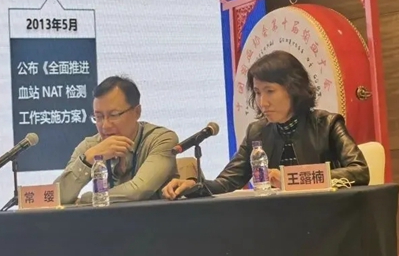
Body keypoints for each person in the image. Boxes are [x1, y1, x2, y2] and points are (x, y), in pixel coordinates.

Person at [162, 50, 369, 199]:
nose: (262, 102)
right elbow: (227, 181)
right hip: (276, 220)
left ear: (294, 88)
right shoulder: (257, 132)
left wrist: (291, 178)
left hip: (325, 217)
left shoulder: (327, 124)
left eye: (270, 91)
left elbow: (360, 171)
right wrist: (193, 185)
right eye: (258, 93)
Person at [55, 75, 179, 204]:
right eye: (99, 117)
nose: (105, 125)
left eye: (114, 115)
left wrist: (86, 199)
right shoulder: (91, 146)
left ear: (137, 112)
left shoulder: (161, 139)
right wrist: (87, 160)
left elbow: (138, 191)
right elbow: (56, 197)